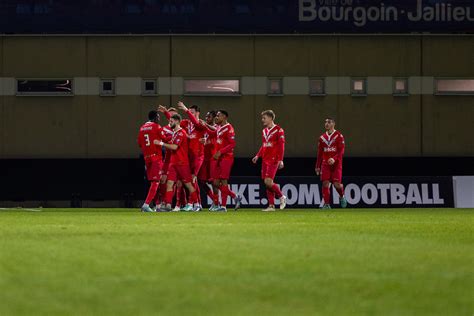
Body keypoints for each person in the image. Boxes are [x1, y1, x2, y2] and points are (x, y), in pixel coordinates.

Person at [158, 114, 200, 212]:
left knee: (188, 185)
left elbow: (174, 147)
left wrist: (161, 143)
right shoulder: (175, 133)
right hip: (173, 163)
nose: (170, 123)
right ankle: (168, 206)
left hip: (182, 163)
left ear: (177, 121)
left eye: (171, 121)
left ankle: (197, 204)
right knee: (169, 184)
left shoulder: (181, 133)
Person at [203, 110, 241, 212]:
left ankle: (223, 207)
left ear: (224, 117)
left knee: (223, 181)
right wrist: (205, 127)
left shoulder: (229, 128)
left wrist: (220, 151)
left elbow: (232, 144)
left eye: (218, 116)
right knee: (215, 182)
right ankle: (235, 197)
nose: (216, 117)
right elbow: (212, 133)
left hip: (226, 158)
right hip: (217, 158)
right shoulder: (219, 127)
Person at [252, 110, 287, 212]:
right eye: (262, 118)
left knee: (268, 181)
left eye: (264, 118)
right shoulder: (264, 131)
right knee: (266, 183)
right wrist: (258, 155)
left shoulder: (279, 130)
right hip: (265, 159)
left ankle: (281, 196)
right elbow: (264, 145)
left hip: (274, 159)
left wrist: (281, 160)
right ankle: (271, 206)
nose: (262, 120)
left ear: (271, 118)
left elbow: (281, 146)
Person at [315, 118, 347, 209]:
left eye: (329, 122)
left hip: (336, 164)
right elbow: (320, 153)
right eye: (325, 122)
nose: (326, 124)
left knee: (337, 185)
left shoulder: (339, 136)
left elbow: (341, 151)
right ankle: (327, 204)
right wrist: (317, 166)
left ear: (333, 124)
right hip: (325, 164)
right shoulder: (322, 138)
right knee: (325, 183)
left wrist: (334, 158)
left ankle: (342, 196)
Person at [137, 110, 164, 213]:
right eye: (158, 117)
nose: (159, 119)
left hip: (147, 158)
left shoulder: (142, 128)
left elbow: (140, 143)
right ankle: (146, 204)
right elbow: (165, 138)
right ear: (155, 117)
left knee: (154, 182)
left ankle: (157, 205)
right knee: (156, 181)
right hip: (156, 158)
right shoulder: (156, 127)